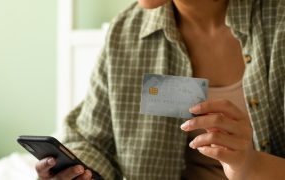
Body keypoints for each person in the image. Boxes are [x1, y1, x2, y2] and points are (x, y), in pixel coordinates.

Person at [36, 0, 285, 179]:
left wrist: (250, 164)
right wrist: (77, 171)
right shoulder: (126, 32)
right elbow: (93, 141)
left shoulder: (278, 21)